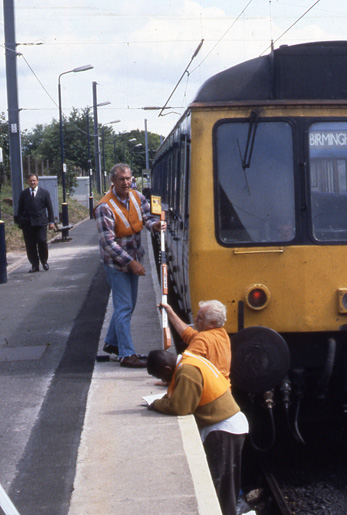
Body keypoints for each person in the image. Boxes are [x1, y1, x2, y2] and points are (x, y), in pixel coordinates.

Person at [146, 349, 248, 515]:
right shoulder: (190, 359)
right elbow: (177, 396)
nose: (163, 380)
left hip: (223, 431)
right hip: (230, 427)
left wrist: (156, 404)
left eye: (161, 376)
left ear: (167, 369)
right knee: (227, 485)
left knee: (220, 487)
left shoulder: (187, 372)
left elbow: (180, 407)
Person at [96, 163, 163, 368]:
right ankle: (126, 355)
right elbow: (108, 243)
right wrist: (131, 262)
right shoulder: (104, 207)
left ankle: (112, 342)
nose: (126, 183)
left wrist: (155, 225)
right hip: (116, 265)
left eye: (128, 179)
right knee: (124, 306)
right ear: (113, 181)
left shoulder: (137, 197)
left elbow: (147, 216)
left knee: (128, 305)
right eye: (121, 179)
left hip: (134, 258)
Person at [160, 300, 231, 378]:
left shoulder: (202, 338)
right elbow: (187, 333)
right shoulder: (223, 335)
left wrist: (171, 379)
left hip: (207, 385)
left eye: (200, 318)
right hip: (223, 384)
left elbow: (185, 367)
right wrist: (170, 313)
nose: (195, 320)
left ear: (212, 323)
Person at [15, 174, 55, 273]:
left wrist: (51, 221)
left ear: (37, 181)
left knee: (42, 241)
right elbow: (20, 209)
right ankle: (34, 265)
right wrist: (20, 221)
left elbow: (50, 208)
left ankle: (44, 261)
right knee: (30, 245)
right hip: (28, 223)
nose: (32, 182)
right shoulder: (23, 194)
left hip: (41, 222)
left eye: (34, 180)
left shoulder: (44, 193)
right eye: (30, 181)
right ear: (28, 182)